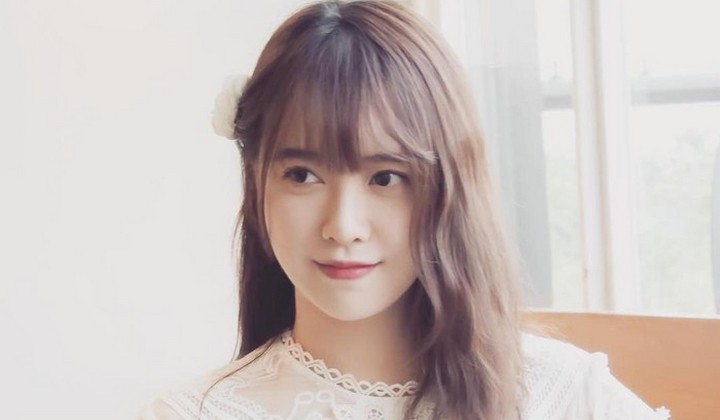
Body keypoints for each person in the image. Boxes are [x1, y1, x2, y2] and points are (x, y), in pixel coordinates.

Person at [141, 1, 670, 419]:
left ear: (450, 188)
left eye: (386, 178)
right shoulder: (197, 413)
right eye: (302, 175)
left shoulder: (565, 396)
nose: (343, 226)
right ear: (257, 182)